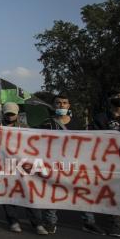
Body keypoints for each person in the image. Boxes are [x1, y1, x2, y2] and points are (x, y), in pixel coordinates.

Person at [39, 94, 105, 235]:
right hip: (54, 164)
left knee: (82, 193)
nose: (61, 105)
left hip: (75, 164)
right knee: (52, 193)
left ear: (69, 106)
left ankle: (89, 222)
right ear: (53, 106)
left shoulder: (78, 123)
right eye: (58, 103)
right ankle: (50, 222)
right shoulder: (46, 124)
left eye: (64, 103)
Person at [0, 102, 48, 235]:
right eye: (7, 114)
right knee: (8, 195)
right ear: (3, 114)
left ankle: (37, 223)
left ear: (18, 115)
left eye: (12, 114)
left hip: (24, 167)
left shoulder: (25, 128)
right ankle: (13, 221)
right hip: (5, 167)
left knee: (29, 194)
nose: (9, 117)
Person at [91, 90, 120, 237]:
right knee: (112, 194)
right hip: (108, 163)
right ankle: (115, 226)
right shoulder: (101, 118)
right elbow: (95, 139)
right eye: (116, 99)